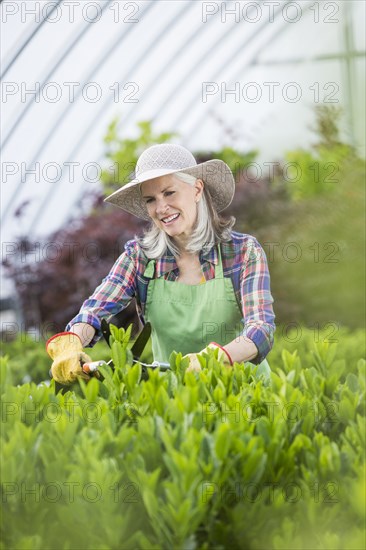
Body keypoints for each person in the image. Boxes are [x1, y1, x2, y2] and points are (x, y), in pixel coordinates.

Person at [46, 143, 275, 384]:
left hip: (247, 396)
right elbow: (94, 310)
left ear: (197, 189)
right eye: (150, 200)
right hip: (178, 402)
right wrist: (72, 343)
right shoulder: (138, 259)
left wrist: (216, 357)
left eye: (169, 192)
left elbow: (261, 328)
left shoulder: (243, 252)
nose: (161, 208)